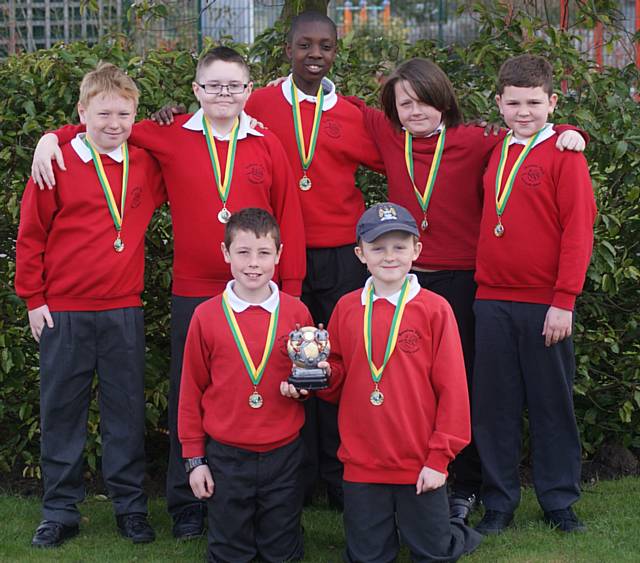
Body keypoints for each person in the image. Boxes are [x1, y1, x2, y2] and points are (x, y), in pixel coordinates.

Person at [29, 46, 306, 538]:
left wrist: (293, 292)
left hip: (260, 292)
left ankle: (256, 496)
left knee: (254, 389)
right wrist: (53, 137)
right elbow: (107, 128)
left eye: (234, 85)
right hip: (192, 292)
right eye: (213, 85)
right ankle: (184, 505)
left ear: (249, 91)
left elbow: (289, 220)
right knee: (190, 394)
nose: (224, 93)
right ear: (196, 90)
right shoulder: (171, 138)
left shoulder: (266, 143)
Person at [342, 57, 587, 522]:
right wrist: (297, 84)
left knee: (506, 395)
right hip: (418, 282)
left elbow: (535, 132)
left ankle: (504, 493)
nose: (416, 112)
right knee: (459, 394)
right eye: (405, 104)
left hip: (468, 282)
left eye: (425, 101)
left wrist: (573, 131)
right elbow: (337, 106)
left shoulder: (480, 141)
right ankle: (463, 490)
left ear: (444, 101)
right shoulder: (391, 139)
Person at [15, 63, 166, 547]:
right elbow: (31, 236)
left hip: (123, 309)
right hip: (64, 311)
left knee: (125, 411)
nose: (114, 123)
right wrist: (33, 298)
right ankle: (60, 510)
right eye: (103, 113)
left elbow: (189, 141)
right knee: (62, 411)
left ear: (135, 114)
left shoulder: (146, 161)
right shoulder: (56, 160)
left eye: (124, 114)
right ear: (82, 112)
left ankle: (130, 507)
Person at [283, 202, 483, 562]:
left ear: (416, 250)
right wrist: (323, 377)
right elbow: (339, 376)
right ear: (360, 253)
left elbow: (454, 390)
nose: (388, 256)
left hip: (419, 461)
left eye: (399, 246)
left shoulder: (435, 309)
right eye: (377, 248)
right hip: (363, 463)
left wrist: (439, 460)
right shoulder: (346, 307)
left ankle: (452, 530)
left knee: (433, 553)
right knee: (367, 556)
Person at [472, 54, 596, 535]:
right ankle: (499, 503)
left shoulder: (566, 155)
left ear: (552, 102)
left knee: (551, 405)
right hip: (491, 299)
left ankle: (559, 501)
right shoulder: (496, 149)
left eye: (535, 103)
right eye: (515, 102)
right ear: (499, 103)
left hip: (545, 303)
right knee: (494, 408)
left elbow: (577, 232)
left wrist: (564, 300)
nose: (524, 112)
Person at [179, 208, 313, 562]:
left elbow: (307, 377)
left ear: (279, 256)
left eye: (264, 253)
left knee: (281, 551)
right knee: (229, 551)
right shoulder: (205, 316)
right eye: (243, 252)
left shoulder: (297, 312)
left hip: (283, 452)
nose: (254, 263)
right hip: (226, 454)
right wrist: (195, 459)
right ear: (226, 254)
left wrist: (301, 389)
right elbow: (191, 390)